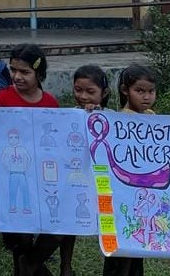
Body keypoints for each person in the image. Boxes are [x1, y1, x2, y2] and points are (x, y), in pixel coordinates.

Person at [103, 65, 170, 276]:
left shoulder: (151, 116)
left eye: (151, 91)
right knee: (130, 244)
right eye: (140, 91)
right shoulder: (119, 120)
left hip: (156, 192)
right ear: (125, 90)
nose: (147, 97)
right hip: (130, 194)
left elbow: (168, 135)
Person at [0, 44, 61, 276]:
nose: (17, 76)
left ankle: (29, 266)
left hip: (41, 179)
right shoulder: (1, 98)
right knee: (20, 235)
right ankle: (27, 268)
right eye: (13, 70)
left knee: (54, 230)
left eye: (25, 72)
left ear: (39, 74)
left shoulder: (50, 102)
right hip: (11, 174)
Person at [59, 65, 112, 276]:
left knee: (108, 222)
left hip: (103, 180)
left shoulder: (112, 116)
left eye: (90, 91)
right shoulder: (69, 116)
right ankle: (66, 266)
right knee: (69, 223)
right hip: (75, 178)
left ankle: (114, 265)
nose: (83, 96)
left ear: (104, 93)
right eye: (78, 89)